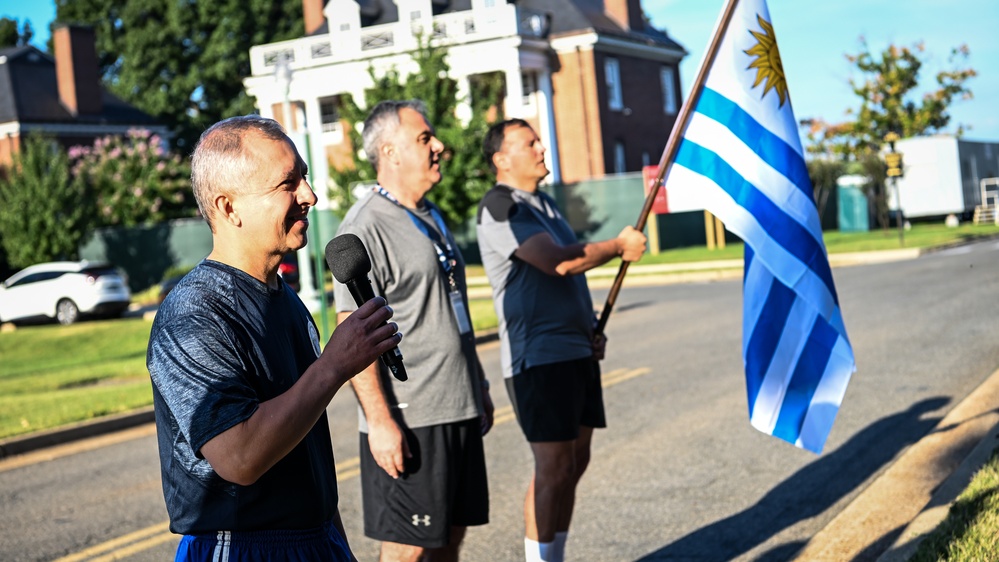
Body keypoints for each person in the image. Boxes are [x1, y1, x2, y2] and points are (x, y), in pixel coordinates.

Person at [147, 115, 402, 561]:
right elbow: (239, 457)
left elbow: (306, 458)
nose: (310, 195)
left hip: (316, 538)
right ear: (229, 208)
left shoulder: (286, 300)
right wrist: (333, 366)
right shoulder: (194, 311)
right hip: (240, 545)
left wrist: (335, 542)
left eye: (304, 177)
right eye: (288, 183)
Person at [476, 119, 647, 562]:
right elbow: (557, 264)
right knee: (552, 468)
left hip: (574, 353)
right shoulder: (501, 206)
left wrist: (589, 329)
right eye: (528, 143)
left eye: (538, 140)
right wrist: (617, 245)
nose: (540, 147)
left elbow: (564, 283)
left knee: (575, 464)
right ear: (501, 158)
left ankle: (557, 555)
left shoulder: (545, 206)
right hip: (539, 360)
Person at [334, 100, 494, 562]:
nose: (439, 145)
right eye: (425, 138)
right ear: (390, 151)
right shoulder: (364, 226)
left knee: (450, 538)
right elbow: (354, 332)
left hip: (455, 404)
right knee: (408, 551)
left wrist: (477, 382)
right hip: (411, 415)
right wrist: (382, 422)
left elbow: (452, 308)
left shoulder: (430, 213)